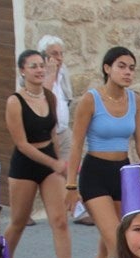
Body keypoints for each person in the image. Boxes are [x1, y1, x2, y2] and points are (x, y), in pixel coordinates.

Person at [65, 46, 140, 258]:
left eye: (131, 68)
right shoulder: (91, 100)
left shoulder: (135, 100)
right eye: (122, 66)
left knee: (106, 246)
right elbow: (76, 143)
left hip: (123, 174)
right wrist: (71, 186)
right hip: (95, 174)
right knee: (118, 241)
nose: (128, 72)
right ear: (107, 68)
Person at [3, 49, 82, 258]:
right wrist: (53, 164)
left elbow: (52, 134)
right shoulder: (14, 102)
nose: (39, 70)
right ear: (22, 71)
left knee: (59, 220)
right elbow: (22, 144)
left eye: (41, 66)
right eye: (33, 66)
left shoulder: (50, 97)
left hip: (49, 162)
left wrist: (58, 163)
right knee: (18, 221)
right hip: (25, 165)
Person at [38, 34, 92, 227]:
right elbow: (43, 97)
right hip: (42, 134)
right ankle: (24, 210)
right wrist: (50, 74)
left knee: (70, 169)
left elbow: (67, 97)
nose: (59, 58)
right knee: (34, 174)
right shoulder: (38, 73)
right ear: (44, 56)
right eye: (54, 54)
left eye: (61, 54)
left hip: (62, 130)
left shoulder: (64, 72)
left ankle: (76, 209)